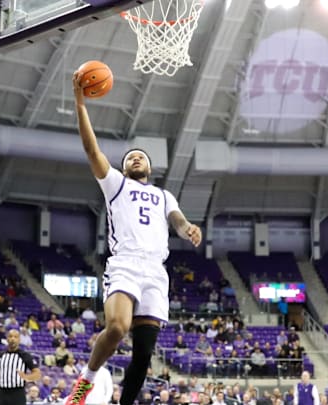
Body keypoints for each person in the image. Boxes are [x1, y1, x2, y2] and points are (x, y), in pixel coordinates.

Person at [65, 69, 202, 405]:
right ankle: (85, 383)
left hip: (156, 272)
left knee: (143, 353)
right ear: (124, 168)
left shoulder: (164, 195)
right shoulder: (115, 184)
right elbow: (90, 147)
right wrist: (80, 100)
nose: (135, 157)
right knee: (116, 328)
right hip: (125, 264)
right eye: (129, 157)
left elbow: (178, 221)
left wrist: (188, 229)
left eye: (140, 156)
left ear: (149, 169)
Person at [0, 329, 41, 405]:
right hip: (0, 392)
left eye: (15, 337)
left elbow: (37, 374)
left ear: (19, 340)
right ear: (7, 339)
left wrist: (26, 377)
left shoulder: (25, 355)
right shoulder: (0, 355)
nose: (12, 339)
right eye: (10, 336)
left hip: (17, 393)